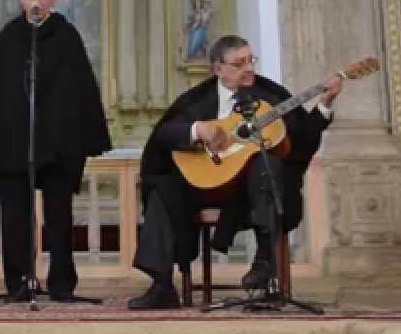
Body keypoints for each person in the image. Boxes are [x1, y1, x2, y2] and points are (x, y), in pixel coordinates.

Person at [128, 35, 343, 309]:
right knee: (164, 188)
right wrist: (198, 129)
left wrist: (325, 104)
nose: (249, 68)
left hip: (247, 191)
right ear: (218, 69)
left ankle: (264, 263)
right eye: (239, 63)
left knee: (268, 166)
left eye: (251, 60)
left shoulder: (271, 96)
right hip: (204, 183)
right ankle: (162, 287)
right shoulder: (198, 99)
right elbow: (164, 134)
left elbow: (302, 137)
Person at [0, 0, 112, 301]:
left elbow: (82, 88)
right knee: (15, 216)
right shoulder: (9, 37)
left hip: (59, 142)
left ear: (52, 0)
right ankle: (19, 284)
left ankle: (62, 285)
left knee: (60, 216)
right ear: (21, 1)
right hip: (16, 142)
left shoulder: (67, 35)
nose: (36, 2)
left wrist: (78, 134)